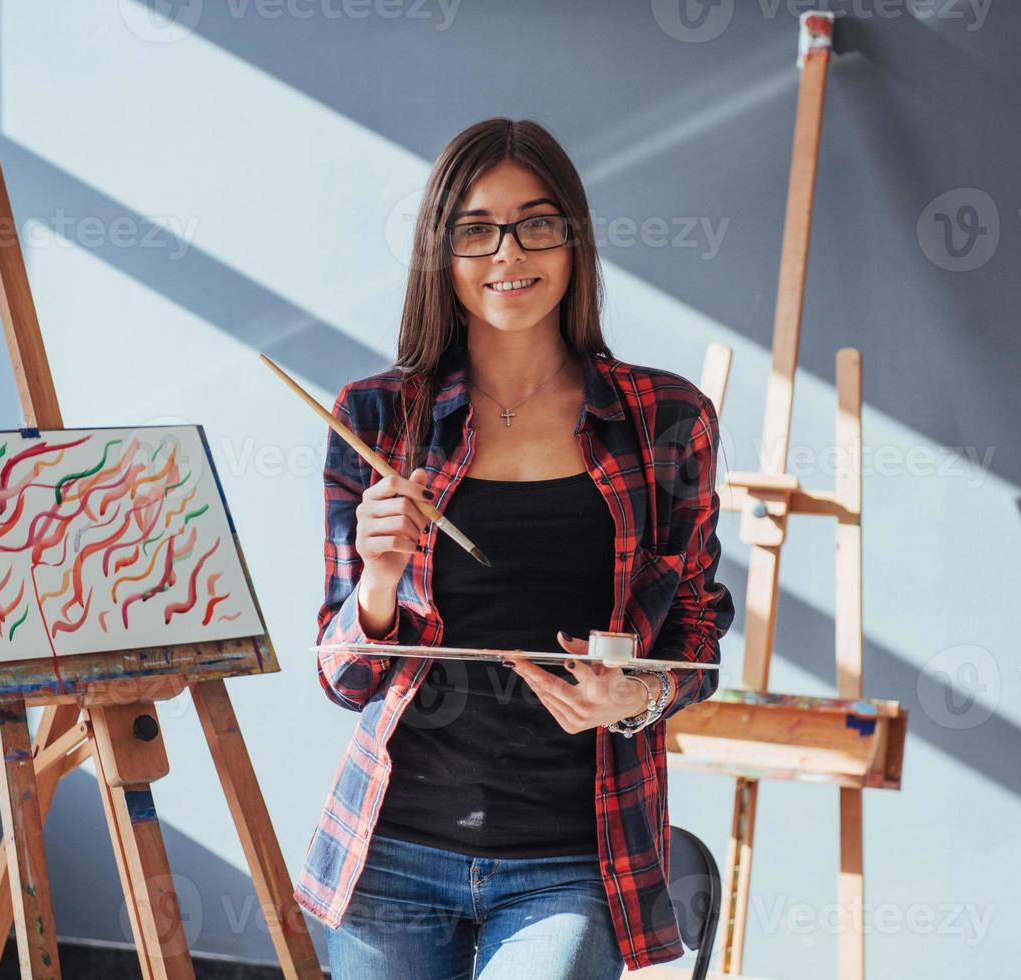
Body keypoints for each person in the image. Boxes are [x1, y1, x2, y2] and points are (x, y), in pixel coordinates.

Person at [293, 117, 735, 979]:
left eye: (537, 223)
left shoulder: (668, 420)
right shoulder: (379, 419)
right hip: (390, 852)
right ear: (441, 252)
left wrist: (635, 696)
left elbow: (699, 636)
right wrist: (377, 581)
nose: (509, 253)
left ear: (574, 240)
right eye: (476, 229)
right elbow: (345, 677)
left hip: (576, 858)